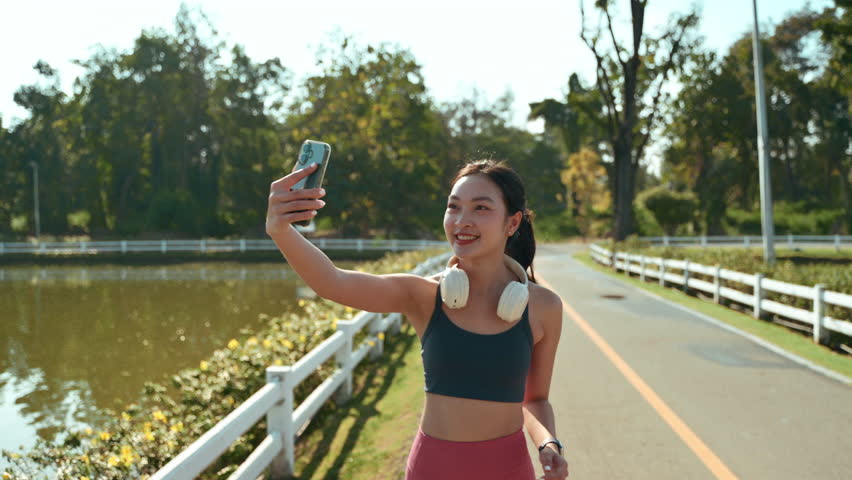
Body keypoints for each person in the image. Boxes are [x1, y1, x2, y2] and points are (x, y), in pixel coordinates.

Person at [265, 158, 569, 480]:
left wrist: (548, 443)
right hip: (432, 468)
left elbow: (535, 399)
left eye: (481, 208)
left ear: (512, 223)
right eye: (454, 207)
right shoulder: (423, 296)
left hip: (508, 469)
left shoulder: (543, 307)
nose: (462, 221)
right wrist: (279, 229)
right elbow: (333, 282)